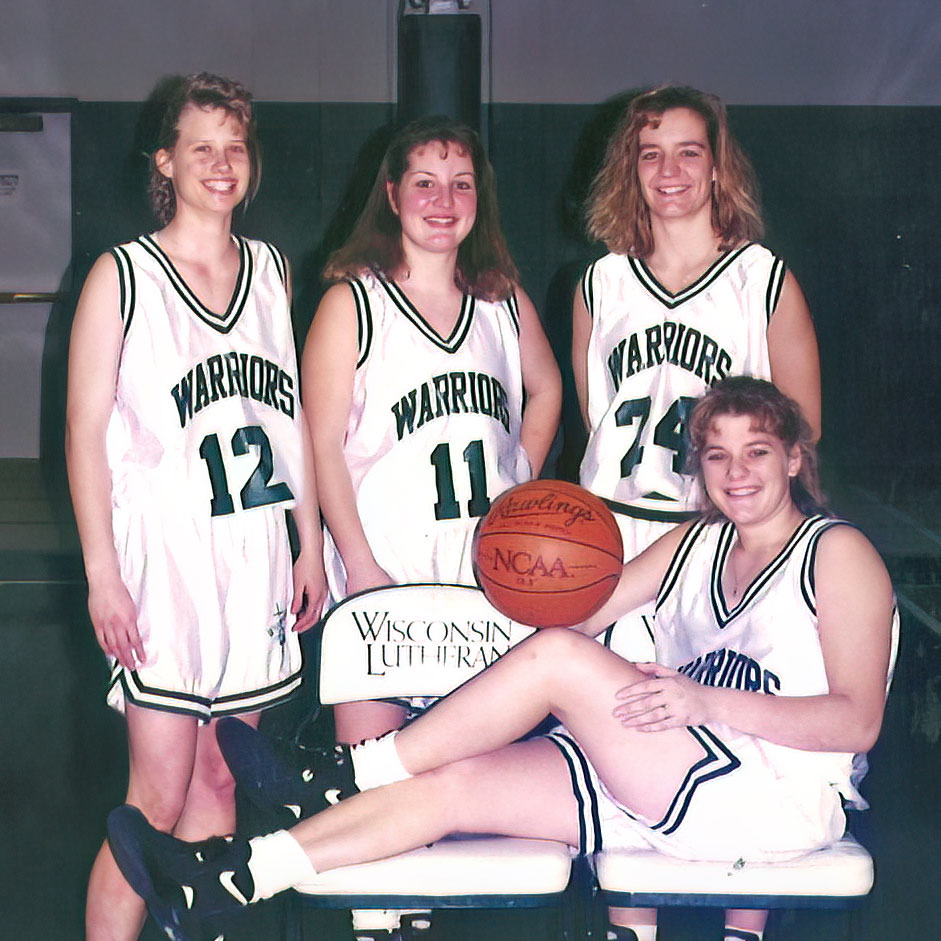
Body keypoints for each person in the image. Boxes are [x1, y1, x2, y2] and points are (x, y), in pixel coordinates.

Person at [106, 377, 896, 941]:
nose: (736, 472)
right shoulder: (693, 543)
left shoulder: (837, 554)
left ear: (794, 457)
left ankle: (346, 771)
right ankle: (229, 877)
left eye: (757, 450)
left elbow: (856, 722)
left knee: (553, 660)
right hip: (676, 764)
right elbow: (580, 611)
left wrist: (702, 701)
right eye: (716, 455)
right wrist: (500, 611)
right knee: (451, 783)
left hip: (769, 792)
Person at [65, 72, 326, 941]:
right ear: (165, 162)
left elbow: (289, 420)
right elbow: (83, 434)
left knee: (221, 787)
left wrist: (309, 543)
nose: (221, 165)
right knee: (155, 797)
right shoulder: (123, 276)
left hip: (251, 555)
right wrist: (103, 574)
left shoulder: (271, 271)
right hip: (166, 564)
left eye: (235, 148)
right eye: (202, 148)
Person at [299, 115, 561, 941]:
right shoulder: (354, 299)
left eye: (461, 184)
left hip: (477, 585)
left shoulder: (500, 298)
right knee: (375, 801)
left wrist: (520, 482)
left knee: (453, 795)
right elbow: (319, 442)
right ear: (390, 194)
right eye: (424, 182)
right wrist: (356, 558)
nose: (442, 201)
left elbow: (548, 389)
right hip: (386, 576)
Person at [572, 88, 821, 937]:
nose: (669, 171)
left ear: (718, 165)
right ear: (627, 172)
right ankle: (629, 927)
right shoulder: (600, 283)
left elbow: (801, 428)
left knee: (733, 729)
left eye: (687, 151)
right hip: (622, 531)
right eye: (649, 154)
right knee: (621, 738)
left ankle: (740, 930)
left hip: (722, 539)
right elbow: (597, 417)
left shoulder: (761, 279)